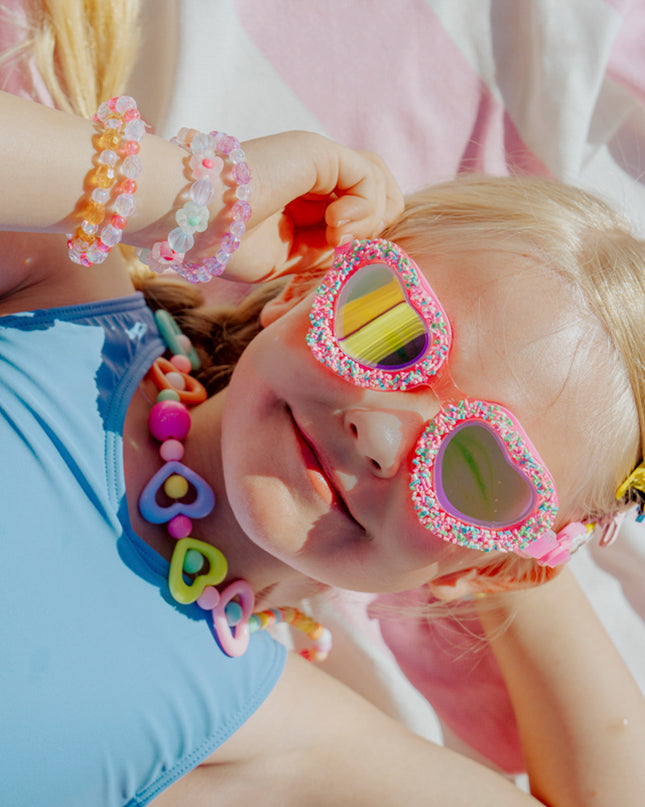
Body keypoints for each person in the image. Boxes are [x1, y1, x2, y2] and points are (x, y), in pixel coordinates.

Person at [2, 2, 645, 806]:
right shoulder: (64, 301)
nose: (377, 434)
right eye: (387, 327)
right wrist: (197, 195)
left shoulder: (265, 726)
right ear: (303, 288)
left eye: (475, 468)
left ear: (472, 572)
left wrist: (510, 549)